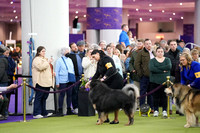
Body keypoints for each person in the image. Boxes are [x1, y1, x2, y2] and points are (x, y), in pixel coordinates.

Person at [86, 50, 123, 124]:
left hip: (116, 81)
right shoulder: (99, 62)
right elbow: (97, 74)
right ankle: (105, 118)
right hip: (107, 82)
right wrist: (90, 82)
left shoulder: (107, 59)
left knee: (115, 100)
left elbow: (110, 69)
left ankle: (116, 119)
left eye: (94, 57)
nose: (94, 58)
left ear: (97, 54)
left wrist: (103, 78)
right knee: (104, 100)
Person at [32, 46, 55, 119]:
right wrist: (48, 62)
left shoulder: (45, 59)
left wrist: (52, 72)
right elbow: (40, 67)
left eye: (44, 51)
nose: (44, 52)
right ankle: (36, 113)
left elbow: (48, 68)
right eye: (42, 51)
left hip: (47, 82)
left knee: (44, 97)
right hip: (40, 81)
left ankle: (43, 112)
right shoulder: (36, 59)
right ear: (38, 52)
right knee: (39, 97)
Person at [149, 47, 172, 117]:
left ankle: (164, 110)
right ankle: (156, 110)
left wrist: (158, 69)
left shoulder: (167, 60)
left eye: (161, 51)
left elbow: (169, 67)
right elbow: (152, 69)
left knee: (164, 97)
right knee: (155, 97)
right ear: (156, 52)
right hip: (154, 81)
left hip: (165, 82)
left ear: (163, 52)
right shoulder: (152, 60)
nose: (160, 53)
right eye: (158, 51)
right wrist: (163, 70)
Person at [135, 39, 155, 112]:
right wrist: (141, 74)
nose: (149, 45)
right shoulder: (141, 53)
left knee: (151, 93)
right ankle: (142, 108)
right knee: (143, 93)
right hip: (144, 76)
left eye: (150, 43)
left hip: (153, 77)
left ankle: (151, 108)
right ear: (144, 45)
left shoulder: (154, 52)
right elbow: (137, 64)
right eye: (147, 44)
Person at [55, 47, 75, 116]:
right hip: (62, 80)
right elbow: (56, 72)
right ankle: (60, 110)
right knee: (62, 95)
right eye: (67, 52)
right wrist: (57, 82)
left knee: (69, 95)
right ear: (63, 52)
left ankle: (69, 109)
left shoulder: (70, 60)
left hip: (70, 80)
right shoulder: (59, 61)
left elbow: (72, 70)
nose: (68, 53)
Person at [68, 42, 84, 114]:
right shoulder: (70, 56)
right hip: (75, 77)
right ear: (71, 48)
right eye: (73, 47)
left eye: (76, 46)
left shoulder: (80, 55)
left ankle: (81, 106)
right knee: (74, 92)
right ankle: (75, 107)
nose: (75, 48)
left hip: (81, 76)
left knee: (80, 92)